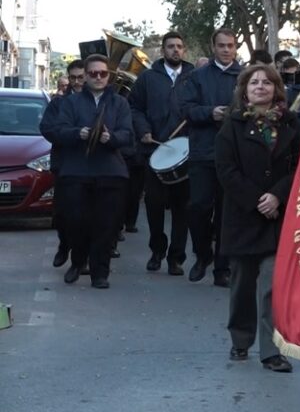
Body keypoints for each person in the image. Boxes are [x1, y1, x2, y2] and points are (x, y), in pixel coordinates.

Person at [215, 64, 300, 372]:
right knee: (242, 284)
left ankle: (272, 351)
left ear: (276, 89)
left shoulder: (291, 123)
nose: (261, 87)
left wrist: (277, 195)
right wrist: (257, 201)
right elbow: (226, 170)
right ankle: (240, 339)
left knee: (273, 286)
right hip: (243, 217)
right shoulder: (233, 124)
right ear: (245, 90)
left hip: (278, 218)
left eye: (267, 82)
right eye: (254, 83)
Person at [46, 54, 133, 288]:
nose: (98, 77)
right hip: (77, 171)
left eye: (103, 73)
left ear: (108, 76)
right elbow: (58, 130)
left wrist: (110, 138)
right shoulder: (70, 102)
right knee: (75, 221)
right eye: (93, 73)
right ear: (85, 76)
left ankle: (100, 273)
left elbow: (127, 134)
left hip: (110, 172)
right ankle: (77, 261)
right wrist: (78, 133)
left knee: (106, 225)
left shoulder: (120, 103)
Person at [179, 27, 242, 287]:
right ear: (213, 47)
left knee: (228, 214)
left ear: (235, 48)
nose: (226, 50)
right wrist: (210, 112)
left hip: (235, 156)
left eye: (230, 45)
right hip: (203, 152)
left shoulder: (246, 76)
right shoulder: (198, 76)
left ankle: (222, 268)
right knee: (198, 208)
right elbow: (185, 109)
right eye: (221, 45)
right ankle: (202, 254)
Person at [130, 31, 194, 276]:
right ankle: (157, 250)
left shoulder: (194, 77)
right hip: (154, 151)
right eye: (170, 46)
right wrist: (143, 130)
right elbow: (135, 107)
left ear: (184, 50)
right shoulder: (147, 78)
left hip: (185, 153)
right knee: (154, 204)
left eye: (179, 46)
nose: (175, 50)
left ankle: (176, 258)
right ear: (163, 50)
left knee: (182, 208)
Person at [40, 59, 86, 268]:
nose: (77, 82)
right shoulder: (58, 103)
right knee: (62, 213)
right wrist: (70, 135)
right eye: (73, 78)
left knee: (87, 214)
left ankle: (83, 258)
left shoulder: (97, 101)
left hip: (90, 165)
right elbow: (47, 128)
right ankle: (64, 244)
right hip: (65, 164)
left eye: (81, 77)